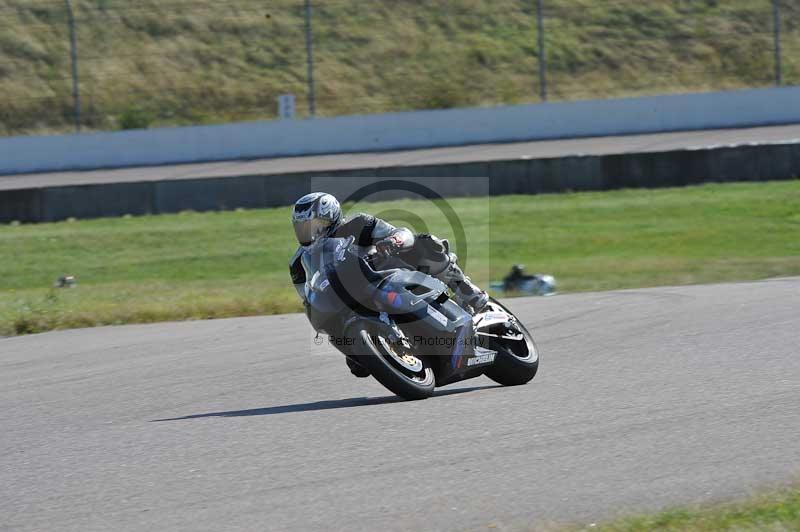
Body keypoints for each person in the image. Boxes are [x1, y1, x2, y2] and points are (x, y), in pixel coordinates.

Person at [289, 192, 488, 313]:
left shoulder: (358, 224)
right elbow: (309, 300)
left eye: (315, 226)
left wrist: (392, 242)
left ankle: (466, 289)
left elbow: (403, 233)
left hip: (389, 273)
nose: (310, 233)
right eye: (303, 228)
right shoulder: (298, 262)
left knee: (425, 243)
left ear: (331, 218)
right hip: (355, 297)